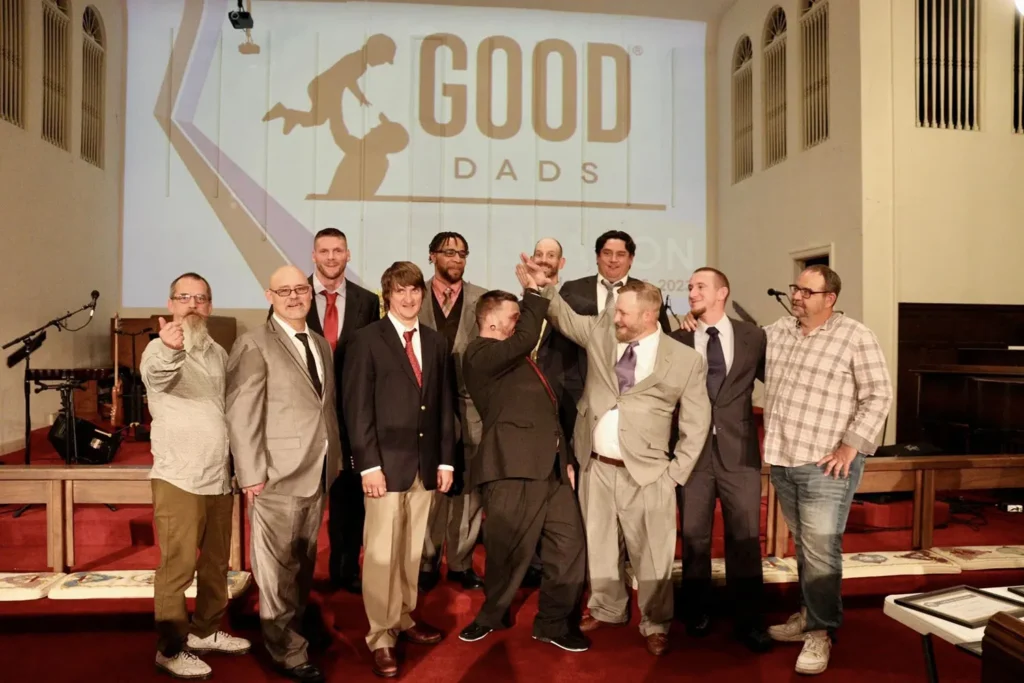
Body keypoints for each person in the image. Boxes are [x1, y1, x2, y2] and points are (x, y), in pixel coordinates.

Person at [524, 256, 711, 656]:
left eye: (623, 312)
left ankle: (656, 620)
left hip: (650, 474)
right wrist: (544, 288)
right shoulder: (602, 333)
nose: (615, 317)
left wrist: (674, 474)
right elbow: (564, 316)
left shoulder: (684, 360)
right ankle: (608, 607)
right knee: (601, 545)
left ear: (648, 315)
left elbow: (696, 422)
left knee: (652, 552)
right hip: (596, 467)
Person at [761, 266, 892, 675]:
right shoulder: (778, 332)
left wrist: (851, 444)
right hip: (783, 457)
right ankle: (808, 614)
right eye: (795, 288)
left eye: (806, 291)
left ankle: (820, 632)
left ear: (829, 298)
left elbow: (878, 393)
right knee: (806, 546)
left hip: (826, 462)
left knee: (821, 548)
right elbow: (731, 342)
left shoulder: (855, 336)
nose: (797, 296)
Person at [457, 280, 588, 652]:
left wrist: (566, 460)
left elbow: (543, 411)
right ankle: (490, 616)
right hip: (511, 469)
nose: (521, 324)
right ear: (494, 322)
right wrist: (533, 294)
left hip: (553, 469)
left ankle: (554, 622)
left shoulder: (518, 358)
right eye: (514, 317)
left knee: (569, 546)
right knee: (506, 552)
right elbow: (525, 338)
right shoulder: (480, 354)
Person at [227, 265, 343, 683]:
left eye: (300, 289)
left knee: (301, 561)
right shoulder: (253, 343)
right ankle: (287, 652)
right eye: (284, 290)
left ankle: (293, 628)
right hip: (275, 474)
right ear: (269, 295)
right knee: (275, 571)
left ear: (310, 294)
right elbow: (241, 412)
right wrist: (251, 472)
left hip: (318, 470)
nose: (294, 296)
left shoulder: (319, 342)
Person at [342, 261, 455, 678]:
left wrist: (445, 459)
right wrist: (368, 465)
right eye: (400, 291)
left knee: (411, 551)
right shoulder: (366, 340)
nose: (408, 299)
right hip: (384, 468)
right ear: (387, 295)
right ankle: (380, 634)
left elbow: (443, 405)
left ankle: (404, 617)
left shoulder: (435, 341)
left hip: (425, 467)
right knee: (381, 554)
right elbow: (357, 409)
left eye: (415, 291)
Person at [142, 272, 251, 680]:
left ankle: (205, 632)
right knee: (178, 565)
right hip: (179, 477)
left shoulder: (217, 352)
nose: (192, 304)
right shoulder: (158, 347)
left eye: (201, 298)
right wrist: (171, 350)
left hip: (217, 477)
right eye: (184, 297)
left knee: (216, 565)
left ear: (209, 305)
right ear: (171, 303)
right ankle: (169, 649)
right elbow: (158, 376)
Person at [669, 267, 772, 652]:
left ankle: (749, 622)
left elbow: (773, 380)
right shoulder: (677, 337)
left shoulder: (753, 336)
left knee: (744, 540)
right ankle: (696, 613)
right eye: (691, 286)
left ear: (722, 292)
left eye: (700, 286)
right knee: (694, 539)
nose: (691, 292)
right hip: (692, 454)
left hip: (739, 452)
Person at [302, 227, 381, 594]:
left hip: (352, 416)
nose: (331, 257)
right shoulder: (293, 294)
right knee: (306, 499)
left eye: (338, 250)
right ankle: (298, 575)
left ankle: (345, 570)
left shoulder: (367, 301)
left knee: (350, 500)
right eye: (324, 251)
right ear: (313, 255)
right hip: (305, 418)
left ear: (348, 255)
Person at [419, 232, 487, 591]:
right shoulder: (414, 295)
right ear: (432, 256)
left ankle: (460, 562)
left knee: (468, 490)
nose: (457, 259)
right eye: (449, 252)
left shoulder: (481, 299)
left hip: (471, 409)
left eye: (463, 253)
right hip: (425, 409)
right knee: (429, 488)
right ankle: (427, 560)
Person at [522, 237, 583, 588]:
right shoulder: (520, 305)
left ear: (562, 264)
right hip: (529, 414)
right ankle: (531, 561)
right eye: (539, 254)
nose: (544, 260)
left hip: (567, 410)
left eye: (551, 256)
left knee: (564, 489)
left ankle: (559, 563)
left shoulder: (574, 306)